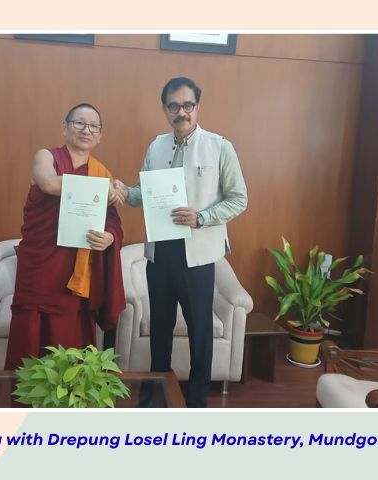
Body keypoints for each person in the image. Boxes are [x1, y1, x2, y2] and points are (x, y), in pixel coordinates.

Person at [112, 77, 248, 408]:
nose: (181, 112)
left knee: (200, 332)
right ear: (165, 109)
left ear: (197, 107)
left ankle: (196, 403)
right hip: (160, 252)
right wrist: (125, 192)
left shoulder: (220, 147)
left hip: (197, 255)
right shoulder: (156, 146)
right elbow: (145, 193)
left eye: (188, 105)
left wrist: (201, 217)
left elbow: (239, 199)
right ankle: (155, 394)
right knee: (160, 330)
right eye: (174, 106)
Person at [4, 104, 126, 371]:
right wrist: (102, 188)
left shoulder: (101, 173)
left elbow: (112, 221)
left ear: (100, 135)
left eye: (93, 126)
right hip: (41, 268)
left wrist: (109, 237)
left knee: (71, 340)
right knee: (31, 336)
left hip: (76, 273)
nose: (86, 130)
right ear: (65, 128)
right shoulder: (46, 157)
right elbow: (48, 183)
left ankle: (71, 398)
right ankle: (25, 397)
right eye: (79, 123)